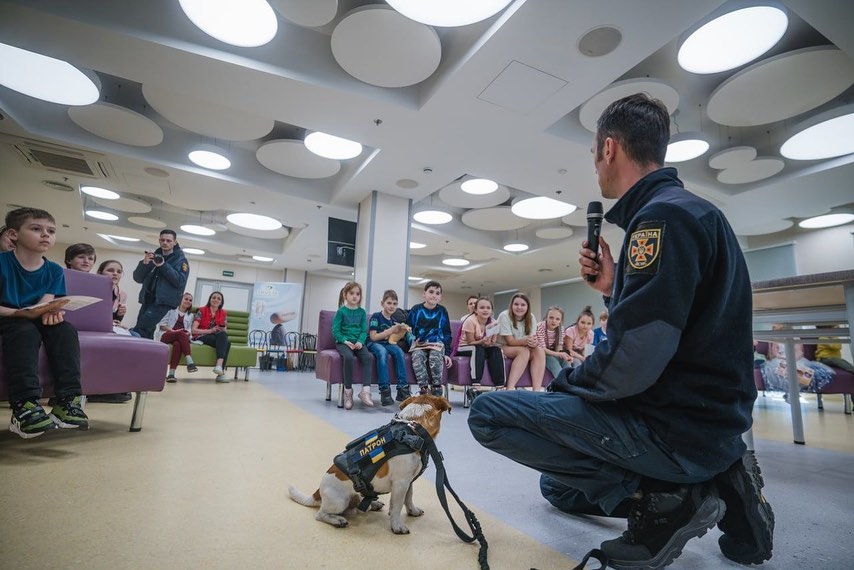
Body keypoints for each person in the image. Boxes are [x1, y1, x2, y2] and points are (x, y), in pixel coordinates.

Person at [467, 93, 774, 568]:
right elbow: (675, 330)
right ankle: (719, 478)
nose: (596, 166)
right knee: (557, 489)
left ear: (608, 149)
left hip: (673, 426)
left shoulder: (659, 221)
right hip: (712, 423)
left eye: (594, 154)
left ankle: (672, 500)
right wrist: (613, 288)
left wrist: (562, 386)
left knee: (488, 414)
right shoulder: (695, 212)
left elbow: (634, 359)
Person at [0, 207, 89, 438]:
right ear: (13, 234)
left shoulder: (54, 270)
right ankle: (25, 406)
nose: (45, 235)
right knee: (24, 330)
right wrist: (17, 313)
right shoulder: (2, 263)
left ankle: (66, 401)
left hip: (31, 317)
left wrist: (51, 312)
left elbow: (45, 303)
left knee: (65, 330)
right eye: (36, 229)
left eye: (51, 231)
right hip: (7, 318)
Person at [130, 229, 189, 339]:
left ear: (175, 242)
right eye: (162, 240)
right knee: (147, 331)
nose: (165, 243)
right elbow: (137, 278)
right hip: (148, 298)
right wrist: (144, 263)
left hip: (163, 301)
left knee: (141, 328)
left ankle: (129, 347)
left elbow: (180, 281)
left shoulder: (181, 260)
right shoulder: (154, 256)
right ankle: (147, 349)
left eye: (168, 240)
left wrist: (163, 265)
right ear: (159, 241)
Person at [406, 280, 452, 397]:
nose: (434, 295)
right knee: (417, 356)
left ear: (440, 297)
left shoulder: (442, 311)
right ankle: (424, 389)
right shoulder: (416, 309)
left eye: (437, 293)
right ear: (424, 294)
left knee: (435, 356)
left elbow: (447, 333)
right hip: (419, 345)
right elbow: (407, 330)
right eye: (431, 292)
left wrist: (447, 353)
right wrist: (412, 340)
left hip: (437, 345)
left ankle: (436, 388)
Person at [332, 281, 373, 409]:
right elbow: (336, 330)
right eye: (352, 293)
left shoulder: (362, 312)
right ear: (345, 295)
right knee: (348, 357)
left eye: (357, 294)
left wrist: (360, 341)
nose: (355, 296)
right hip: (344, 343)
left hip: (358, 343)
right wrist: (344, 340)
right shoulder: (341, 312)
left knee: (368, 357)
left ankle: (365, 391)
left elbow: (363, 330)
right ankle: (348, 393)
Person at [456, 297, 504, 402]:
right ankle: (475, 386)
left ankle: (499, 386)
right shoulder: (470, 321)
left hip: (482, 346)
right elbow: (470, 342)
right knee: (478, 349)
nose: (485, 310)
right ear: (476, 310)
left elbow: (493, 342)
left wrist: (489, 343)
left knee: (496, 350)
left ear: (492, 311)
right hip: (465, 346)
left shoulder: (494, 323)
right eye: (482, 308)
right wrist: (482, 341)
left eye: (488, 308)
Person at [367, 289, 409, 406]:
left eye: (395, 304)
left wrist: (403, 331)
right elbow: (373, 337)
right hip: (374, 343)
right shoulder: (376, 317)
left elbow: (392, 339)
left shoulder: (394, 321)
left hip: (387, 343)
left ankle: (402, 388)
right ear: (382, 303)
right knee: (382, 352)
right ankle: (385, 390)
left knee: (399, 352)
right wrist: (390, 330)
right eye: (389, 303)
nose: (392, 306)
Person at [497, 293, 546, 390]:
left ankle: (536, 391)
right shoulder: (504, 315)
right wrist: (527, 341)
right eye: (516, 304)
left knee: (539, 350)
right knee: (524, 352)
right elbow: (510, 341)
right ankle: (510, 388)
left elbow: (531, 338)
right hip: (502, 346)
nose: (519, 307)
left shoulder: (531, 317)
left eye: (523, 305)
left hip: (522, 346)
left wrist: (534, 342)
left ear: (527, 307)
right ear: (511, 305)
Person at [157, 292, 197, 382]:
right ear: (180, 300)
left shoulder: (190, 315)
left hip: (180, 337)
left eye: (190, 300)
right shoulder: (170, 310)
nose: (188, 301)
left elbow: (189, 329)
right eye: (186, 299)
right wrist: (173, 331)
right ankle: (189, 361)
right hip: (167, 334)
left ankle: (171, 374)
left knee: (178, 344)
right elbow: (162, 325)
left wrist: (188, 333)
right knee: (181, 334)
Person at [192, 291, 231, 383]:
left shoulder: (223, 313)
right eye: (213, 297)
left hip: (216, 337)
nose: (215, 300)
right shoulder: (201, 310)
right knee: (226, 343)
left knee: (226, 339)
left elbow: (225, 331)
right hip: (201, 335)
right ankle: (220, 372)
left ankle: (219, 368)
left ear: (221, 302)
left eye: (218, 299)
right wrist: (210, 331)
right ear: (210, 299)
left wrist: (223, 329)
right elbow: (194, 330)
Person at [537, 306, 570, 381]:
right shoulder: (540, 327)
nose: (554, 321)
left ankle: (571, 382)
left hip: (554, 352)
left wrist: (565, 355)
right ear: (546, 317)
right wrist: (559, 354)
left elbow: (559, 347)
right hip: (542, 353)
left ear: (560, 321)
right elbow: (543, 349)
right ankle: (562, 383)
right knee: (553, 362)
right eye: (551, 317)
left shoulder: (560, 328)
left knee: (566, 362)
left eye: (557, 319)